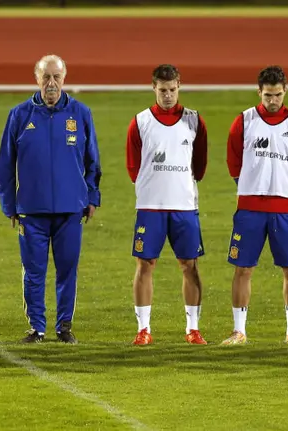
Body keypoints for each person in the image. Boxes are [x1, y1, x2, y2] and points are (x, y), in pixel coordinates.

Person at [0, 54, 102, 344]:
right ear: (37, 80)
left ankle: (64, 326)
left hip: (71, 210)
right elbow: (5, 164)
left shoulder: (81, 114)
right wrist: (10, 205)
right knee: (34, 271)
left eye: (56, 77)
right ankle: (37, 328)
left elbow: (93, 161)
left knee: (67, 270)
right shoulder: (19, 115)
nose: (51, 84)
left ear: (64, 79)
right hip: (31, 211)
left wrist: (92, 197)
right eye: (46, 77)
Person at [221, 65, 288, 346]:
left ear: (285, 92)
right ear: (259, 92)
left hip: (285, 208)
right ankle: (239, 331)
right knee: (243, 269)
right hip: (250, 207)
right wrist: (250, 185)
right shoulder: (245, 121)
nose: (273, 101)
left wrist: (285, 189)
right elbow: (233, 161)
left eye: (278, 95)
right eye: (268, 96)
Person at [125, 64, 209, 346]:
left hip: (184, 206)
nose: (168, 95)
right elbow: (133, 167)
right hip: (150, 207)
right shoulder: (140, 122)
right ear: (154, 89)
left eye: (172, 90)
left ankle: (193, 329)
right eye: (162, 90)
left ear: (179, 86)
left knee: (189, 266)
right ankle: (143, 329)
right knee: (145, 265)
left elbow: (200, 165)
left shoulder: (194, 120)